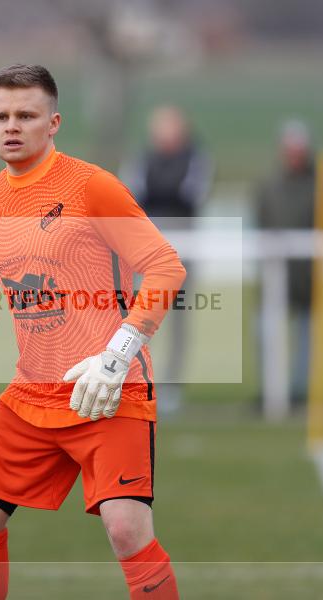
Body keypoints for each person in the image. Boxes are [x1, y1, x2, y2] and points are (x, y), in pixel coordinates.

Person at [0, 64, 185, 599]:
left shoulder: (91, 186)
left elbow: (165, 267)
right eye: (0, 116)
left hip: (107, 390)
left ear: (53, 122)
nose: (12, 126)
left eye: (26, 115)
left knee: (126, 529)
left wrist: (116, 356)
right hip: (33, 390)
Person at [120, 105, 213, 413]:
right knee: (138, 316)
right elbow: (133, 194)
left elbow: (188, 195)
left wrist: (159, 194)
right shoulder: (143, 159)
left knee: (178, 320)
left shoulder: (196, 158)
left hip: (183, 245)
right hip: (147, 248)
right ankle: (134, 380)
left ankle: (171, 386)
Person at [255, 119, 316, 410]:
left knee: (306, 336)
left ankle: (299, 392)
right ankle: (271, 391)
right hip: (275, 275)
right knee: (266, 332)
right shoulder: (269, 187)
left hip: (307, 277)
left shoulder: (319, 185)